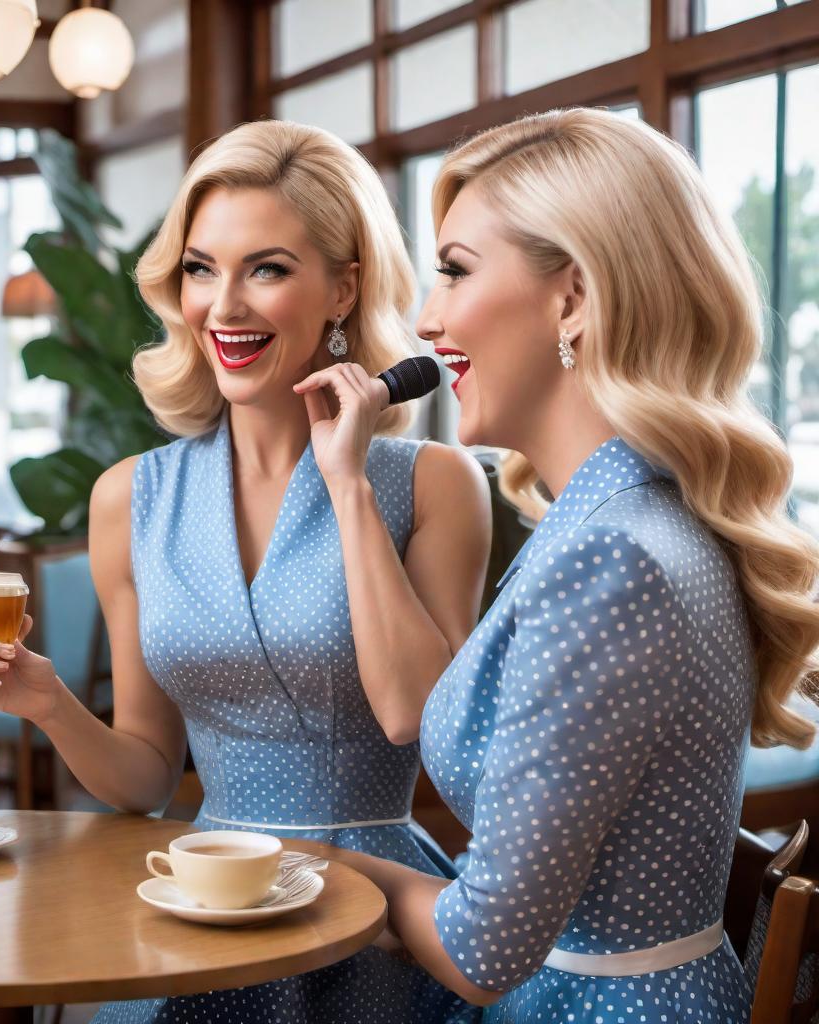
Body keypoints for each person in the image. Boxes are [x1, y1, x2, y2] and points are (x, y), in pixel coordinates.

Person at [0, 119, 491, 1022]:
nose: (223, 307)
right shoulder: (130, 497)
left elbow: (424, 721)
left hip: (374, 912)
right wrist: (45, 701)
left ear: (343, 287)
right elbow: (146, 776)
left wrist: (347, 482)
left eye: (266, 268)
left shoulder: (433, 484)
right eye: (201, 269)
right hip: (202, 902)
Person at [311, 107, 819, 1024]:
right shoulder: (640, 515)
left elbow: (480, 950)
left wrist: (316, 863)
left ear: (575, 298)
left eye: (456, 271)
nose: (427, 319)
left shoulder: (612, 558)